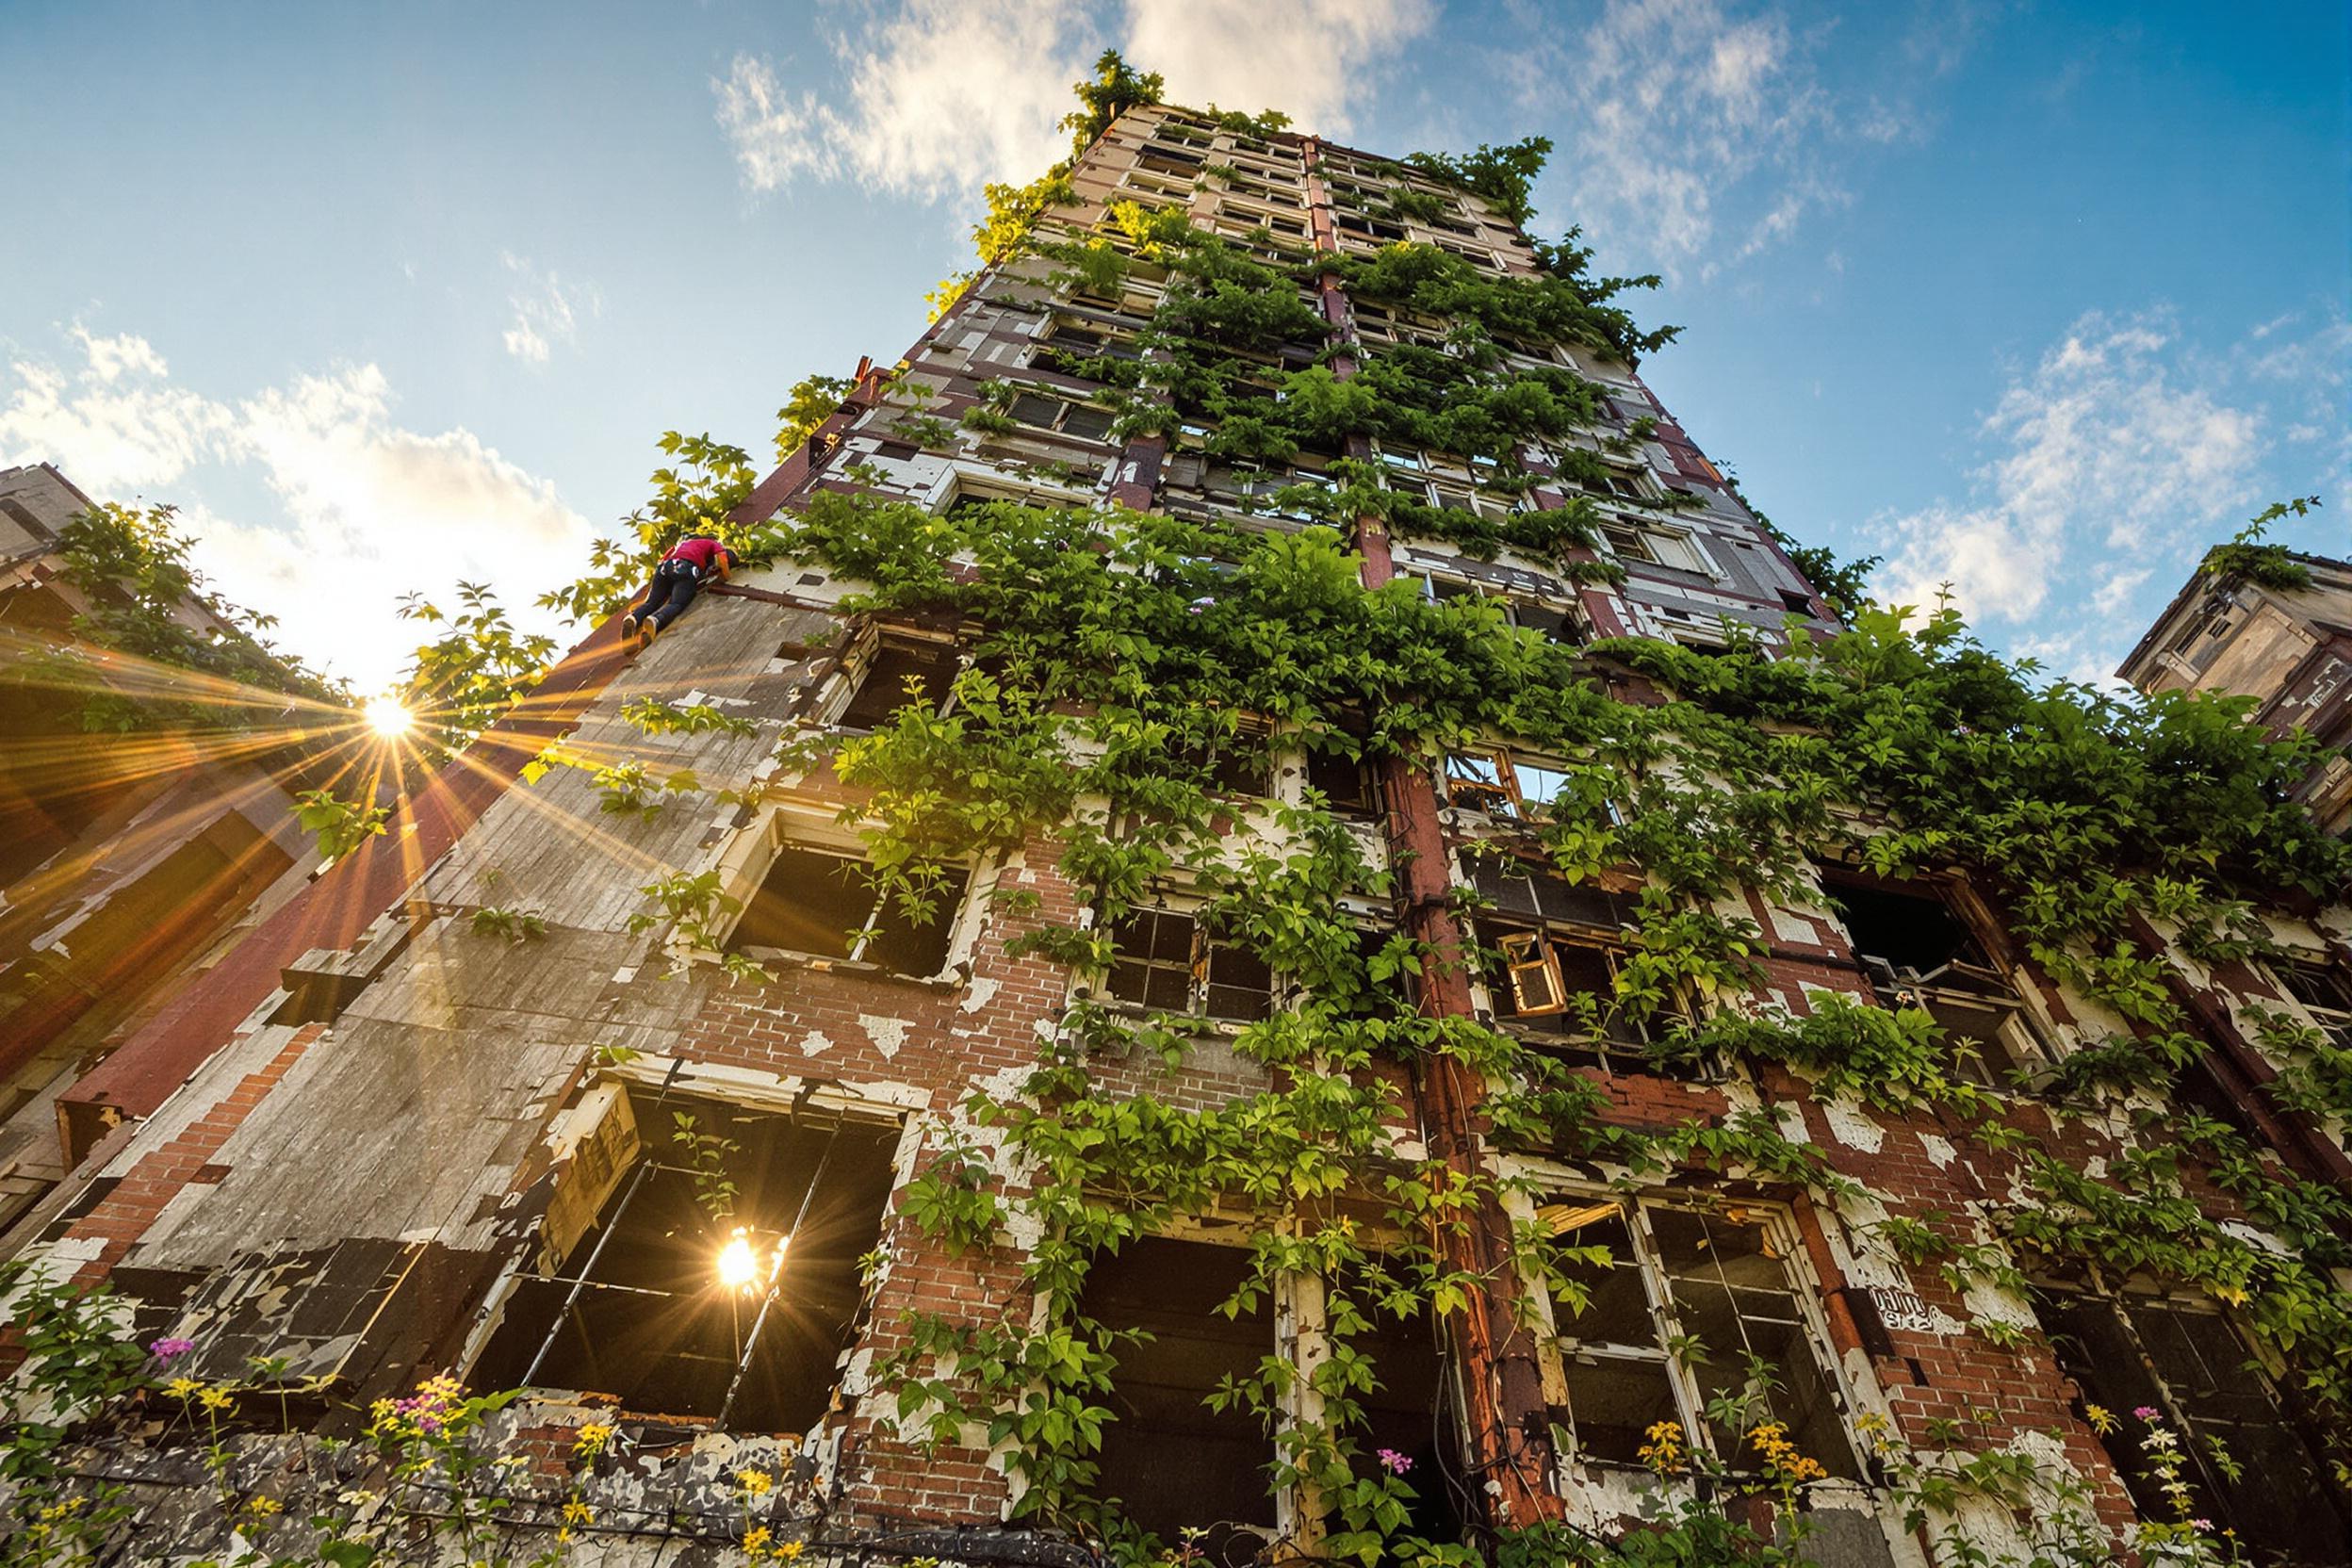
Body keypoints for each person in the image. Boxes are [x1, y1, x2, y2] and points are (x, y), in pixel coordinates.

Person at [620, 535, 736, 647]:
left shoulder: (681, 545)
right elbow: (722, 559)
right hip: (686, 568)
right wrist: (725, 577)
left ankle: (633, 618)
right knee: (676, 603)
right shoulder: (711, 543)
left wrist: (644, 601)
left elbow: (661, 561)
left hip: (664, 568)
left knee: (652, 602)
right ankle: (656, 620)